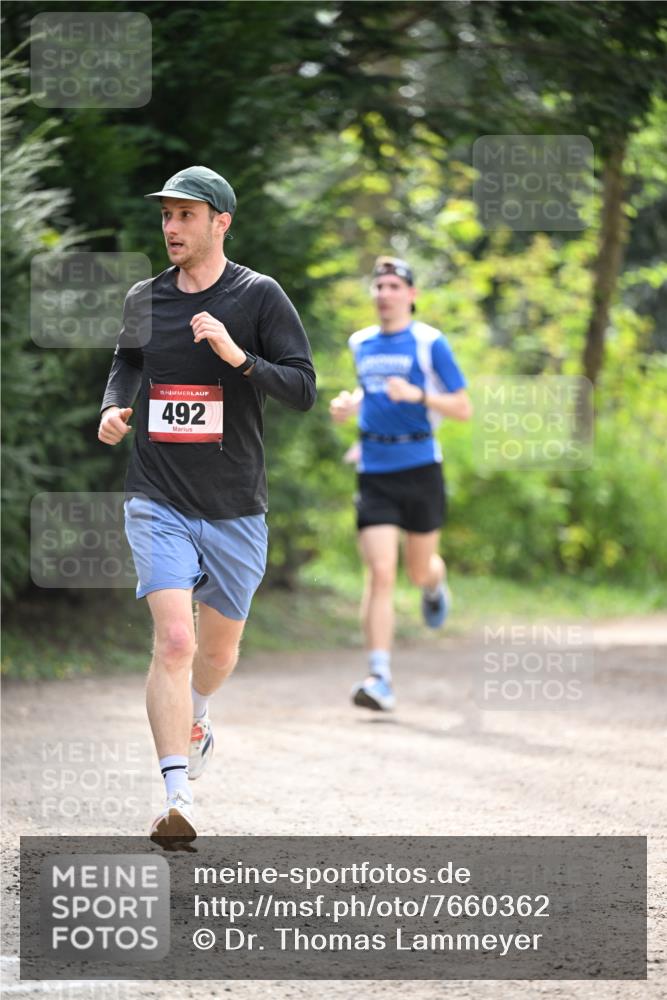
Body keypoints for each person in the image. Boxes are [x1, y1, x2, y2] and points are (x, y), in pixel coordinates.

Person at [98, 165, 316, 845]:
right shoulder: (146, 298)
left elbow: (304, 388)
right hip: (158, 494)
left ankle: (199, 711)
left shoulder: (259, 296)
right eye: (167, 215)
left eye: (186, 216)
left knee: (215, 657)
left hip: (233, 507)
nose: (171, 228)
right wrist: (113, 406)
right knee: (175, 639)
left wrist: (237, 356)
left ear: (221, 222)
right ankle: (175, 791)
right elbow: (127, 363)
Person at [329, 256, 471, 712]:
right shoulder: (361, 343)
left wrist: (418, 395)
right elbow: (367, 391)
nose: (385, 293)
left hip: (420, 466)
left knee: (417, 569)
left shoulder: (430, 343)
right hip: (374, 469)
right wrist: (349, 406)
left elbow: (462, 407)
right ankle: (380, 676)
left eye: (394, 286)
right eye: (379, 286)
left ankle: (434, 584)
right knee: (381, 572)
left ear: (411, 295)